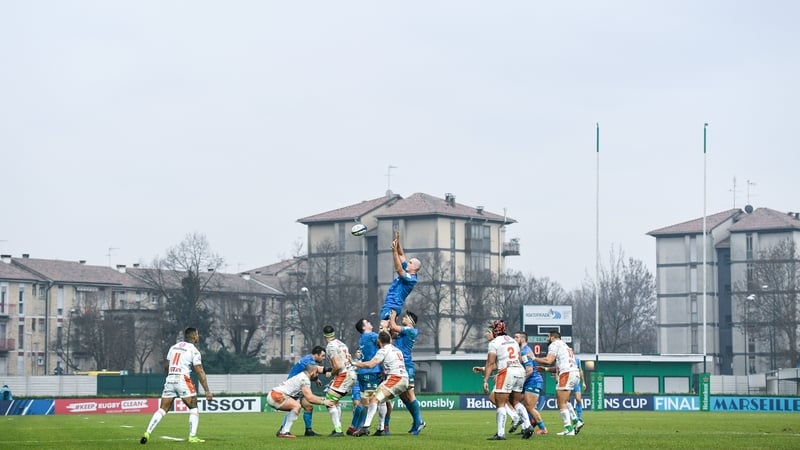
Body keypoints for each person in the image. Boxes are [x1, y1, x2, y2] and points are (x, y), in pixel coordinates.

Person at [140, 327, 213, 444]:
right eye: (197, 335)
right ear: (194, 337)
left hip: (170, 378)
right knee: (193, 406)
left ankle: (147, 432)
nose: (198, 337)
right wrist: (207, 390)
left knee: (163, 409)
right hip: (182, 379)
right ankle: (192, 436)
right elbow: (199, 371)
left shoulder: (173, 347)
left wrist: (171, 376)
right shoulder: (194, 351)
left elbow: (166, 366)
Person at [476, 320, 533, 441]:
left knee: (500, 402)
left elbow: (490, 363)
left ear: (495, 330)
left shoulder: (494, 342)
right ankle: (528, 426)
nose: (488, 333)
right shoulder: (513, 341)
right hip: (519, 370)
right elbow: (518, 359)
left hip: (507, 372)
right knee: (515, 401)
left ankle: (500, 434)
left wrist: (485, 380)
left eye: (491, 330)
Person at [352, 331, 409, 437]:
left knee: (374, 399)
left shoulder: (383, 350)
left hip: (396, 378)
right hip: (403, 379)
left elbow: (370, 364)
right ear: (390, 340)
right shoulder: (397, 350)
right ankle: (380, 429)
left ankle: (365, 428)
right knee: (382, 401)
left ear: (379, 341)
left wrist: (354, 363)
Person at [533, 330, 583, 436]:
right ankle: (576, 422)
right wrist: (546, 370)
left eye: (548, 337)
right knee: (564, 401)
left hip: (567, 374)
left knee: (561, 403)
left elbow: (548, 360)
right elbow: (558, 366)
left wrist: (533, 358)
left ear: (552, 337)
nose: (547, 339)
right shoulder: (565, 346)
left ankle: (569, 429)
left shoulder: (554, 344)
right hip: (574, 373)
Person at [268, 363, 334, 438]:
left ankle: (288, 431)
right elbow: (310, 398)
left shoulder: (304, 375)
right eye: (317, 373)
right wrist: (324, 401)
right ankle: (284, 432)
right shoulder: (304, 379)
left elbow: (318, 369)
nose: (317, 376)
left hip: (276, 395)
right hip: (277, 396)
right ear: (312, 372)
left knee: (307, 406)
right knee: (296, 406)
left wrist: (330, 370)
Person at [388, 309, 425, 435]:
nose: (403, 317)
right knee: (403, 397)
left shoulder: (410, 330)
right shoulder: (404, 332)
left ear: (411, 321)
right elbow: (392, 333)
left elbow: (393, 326)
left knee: (409, 394)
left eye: (405, 316)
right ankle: (416, 422)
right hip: (399, 365)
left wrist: (393, 315)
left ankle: (419, 421)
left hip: (406, 365)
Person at [277, 346, 327, 437]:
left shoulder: (309, 359)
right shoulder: (309, 360)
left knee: (308, 406)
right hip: (294, 387)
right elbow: (318, 369)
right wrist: (333, 370)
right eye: (322, 356)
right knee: (293, 407)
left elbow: (310, 372)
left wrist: (316, 380)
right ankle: (282, 430)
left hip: (300, 386)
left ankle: (308, 430)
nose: (323, 358)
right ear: (316, 354)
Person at [379, 231, 421, 332]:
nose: (407, 263)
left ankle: (384, 347)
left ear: (415, 267)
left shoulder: (411, 279)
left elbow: (399, 270)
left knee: (383, 328)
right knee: (387, 330)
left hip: (392, 305)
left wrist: (394, 252)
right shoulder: (408, 270)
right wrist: (397, 241)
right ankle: (386, 345)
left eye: (410, 262)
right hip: (390, 305)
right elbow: (401, 255)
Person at [509, 331, 548, 435]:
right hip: (527, 381)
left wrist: (519, 381)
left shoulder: (525, 351)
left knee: (529, 407)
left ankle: (543, 428)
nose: (514, 339)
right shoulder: (520, 351)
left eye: (516, 337)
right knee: (513, 401)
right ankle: (527, 426)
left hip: (533, 381)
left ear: (522, 339)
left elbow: (529, 370)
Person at [348, 318, 382, 436]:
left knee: (363, 403)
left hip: (362, 372)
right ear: (363, 327)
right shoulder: (370, 335)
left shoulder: (362, 338)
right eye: (367, 322)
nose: (370, 323)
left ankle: (353, 426)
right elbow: (385, 341)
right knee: (372, 401)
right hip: (371, 371)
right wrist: (386, 328)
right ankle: (364, 427)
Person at [322, 325, 357, 437]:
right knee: (334, 400)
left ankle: (338, 430)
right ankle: (338, 428)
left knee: (329, 401)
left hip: (344, 375)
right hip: (351, 373)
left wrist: (330, 373)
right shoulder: (340, 343)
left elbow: (338, 365)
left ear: (324, 336)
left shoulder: (330, 346)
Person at [571, 349, 586, 424]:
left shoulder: (577, 360)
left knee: (578, 399)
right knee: (566, 401)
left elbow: (580, 370)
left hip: (576, 382)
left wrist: (583, 382)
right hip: (567, 382)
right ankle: (571, 417)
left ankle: (579, 418)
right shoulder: (564, 359)